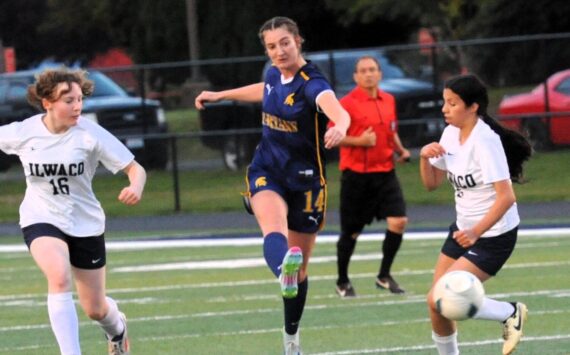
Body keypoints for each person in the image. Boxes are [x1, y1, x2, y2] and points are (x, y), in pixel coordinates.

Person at [195, 16, 350, 355]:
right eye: (271, 46)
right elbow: (263, 90)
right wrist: (222, 94)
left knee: (301, 270)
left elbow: (336, 109)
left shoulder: (312, 83)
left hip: (306, 183)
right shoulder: (272, 74)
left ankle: (291, 337)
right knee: (272, 228)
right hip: (267, 170)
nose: (278, 51)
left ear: (298, 41)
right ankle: (283, 268)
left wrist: (340, 126)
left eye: (284, 43)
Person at [0, 68, 146, 355]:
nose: (77, 106)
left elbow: (135, 168)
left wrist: (136, 187)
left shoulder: (89, 134)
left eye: (80, 99)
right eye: (68, 100)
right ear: (47, 103)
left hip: (85, 223)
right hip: (40, 217)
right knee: (58, 277)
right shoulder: (23, 132)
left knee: (95, 308)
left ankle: (117, 330)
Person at [420, 74, 532, 355]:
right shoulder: (450, 134)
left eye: (453, 103)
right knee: (435, 305)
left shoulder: (485, 141)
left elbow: (507, 197)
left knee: (442, 297)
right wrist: (424, 158)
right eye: (445, 102)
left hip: (493, 235)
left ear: (473, 107)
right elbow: (431, 184)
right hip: (464, 230)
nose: (445, 109)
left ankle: (509, 312)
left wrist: (475, 231)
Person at [332, 56, 411, 297]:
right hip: (356, 177)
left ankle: (384, 275)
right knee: (351, 232)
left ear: (379, 74)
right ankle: (342, 281)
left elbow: (390, 130)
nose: (368, 74)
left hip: (386, 173)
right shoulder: (345, 103)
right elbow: (333, 135)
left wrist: (401, 149)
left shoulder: (388, 100)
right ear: (355, 76)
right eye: (363, 71)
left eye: (373, 70)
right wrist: (360, 141)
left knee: (399, 221)